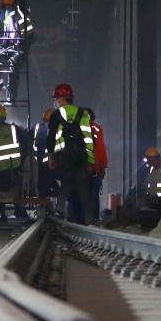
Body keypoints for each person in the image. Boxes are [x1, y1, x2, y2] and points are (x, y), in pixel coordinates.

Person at [45, 83, 95, 225]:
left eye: (56, 99)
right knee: (84, 190)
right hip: (81, 157)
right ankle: (90, 221)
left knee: (66, 185)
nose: (56, 102)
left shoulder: (56, 115)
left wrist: (51, 157)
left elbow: (51, 138)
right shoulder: (83, 113)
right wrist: (91, 160)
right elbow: (89, 138)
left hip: (64, 157)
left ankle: (59, 212)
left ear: (61, 99)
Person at [0, 105, 29, 221]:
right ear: (5, 116)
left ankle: (3, 215)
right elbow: (26, 141)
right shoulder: (14, 128)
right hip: (14, 165)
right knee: (17, 188)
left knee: (1, 191)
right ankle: (20, 211)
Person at [33, 108, 57, 206]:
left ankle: (44, 204)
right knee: (49, 184)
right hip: (49, 162)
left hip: (38, 162)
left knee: (42, 185)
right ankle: (50, 204)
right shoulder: (54, 128)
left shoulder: (37, 127)